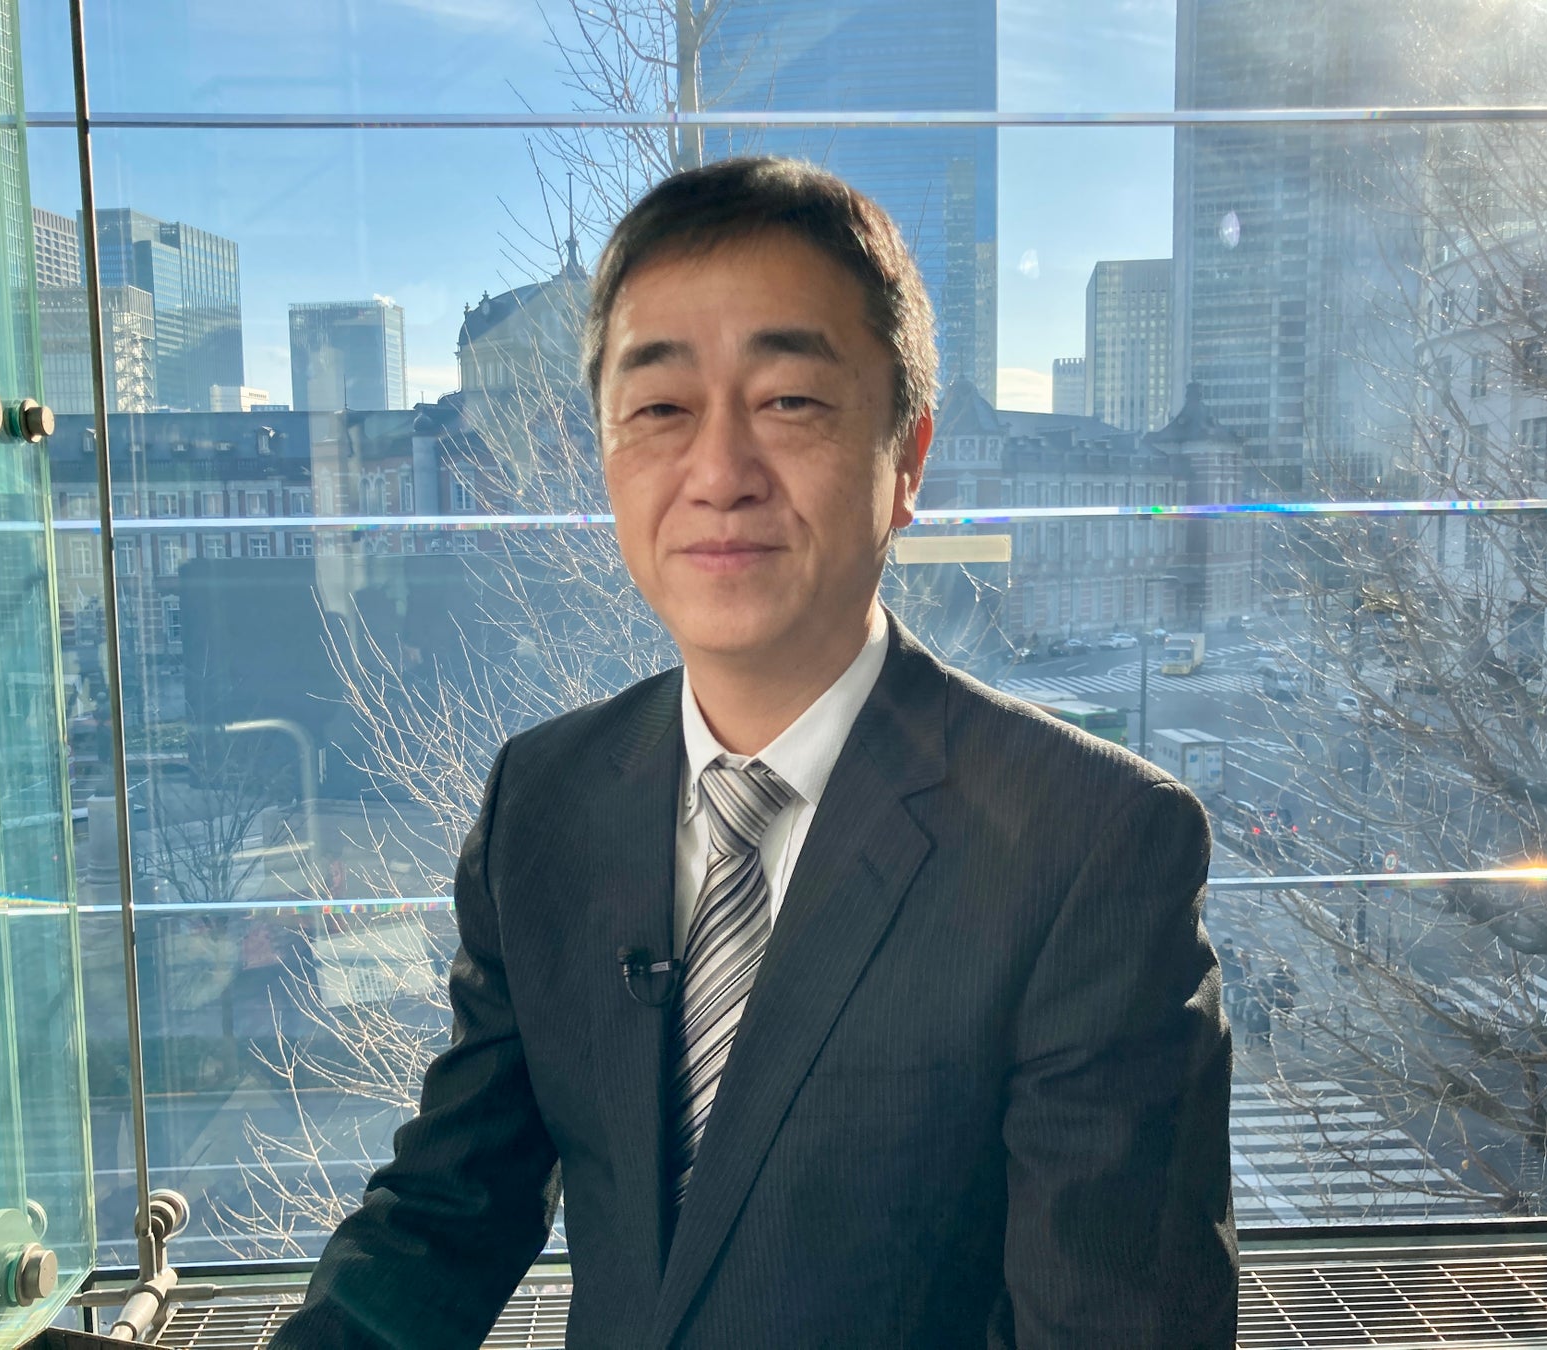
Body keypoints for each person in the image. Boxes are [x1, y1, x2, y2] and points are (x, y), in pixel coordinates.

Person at [274, 157, 1236, 1349]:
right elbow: (446, 1212)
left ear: (908, 459)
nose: (719, 474)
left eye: (789, 401)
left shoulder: (1090, 843)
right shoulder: (545, 802)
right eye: (659, 410)